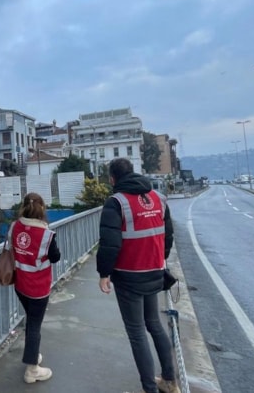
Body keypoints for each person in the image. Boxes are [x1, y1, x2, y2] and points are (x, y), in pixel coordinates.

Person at [97, 158, 180, 393]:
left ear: (113, 178)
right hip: (154, 271)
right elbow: (168, 235)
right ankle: (169, 380)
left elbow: (110, 243)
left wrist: (104, 273)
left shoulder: (116, 202)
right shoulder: (158, 198)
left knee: (136, 332)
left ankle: (150, 388)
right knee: (154, 323)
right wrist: (159, 260)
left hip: (128, 275)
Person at [8, 192, 61, 383]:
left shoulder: (15, 226)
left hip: (19, 284)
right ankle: (32, 370)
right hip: (38, 288)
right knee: (35, 326)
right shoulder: (46, 234)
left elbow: (11, 249)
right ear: (42, 208)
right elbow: (55, 257)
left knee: (31, 321)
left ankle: (32, 355)